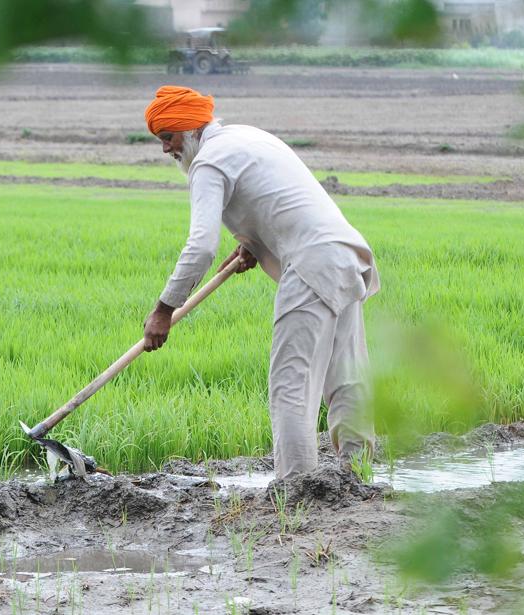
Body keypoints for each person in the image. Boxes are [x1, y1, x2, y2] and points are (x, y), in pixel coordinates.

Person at [141, 85, 380, 479]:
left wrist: (164, 309)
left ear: (187, 129)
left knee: (291, 385)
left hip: (309, 267)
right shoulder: (248, 136)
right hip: (344, 256)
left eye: (167, 138)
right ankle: (357, 477)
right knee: (347, 377)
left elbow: (201, 247)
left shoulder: (208, 163)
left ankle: (296, 487)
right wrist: (255, 243)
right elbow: (276, 201)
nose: (165, 149)